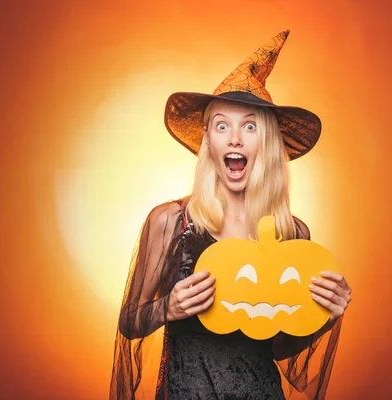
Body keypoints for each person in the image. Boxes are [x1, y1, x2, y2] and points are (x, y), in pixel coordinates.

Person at [110, 30, 352, 400]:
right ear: (208, 138)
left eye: (250, 126)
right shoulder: (172, 222)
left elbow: (279, 347)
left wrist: (325, 315)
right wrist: (168, 307)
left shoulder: (292, 233)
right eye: (223, 126)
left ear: (267, 141)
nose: (235, 138)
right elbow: (130, 322)